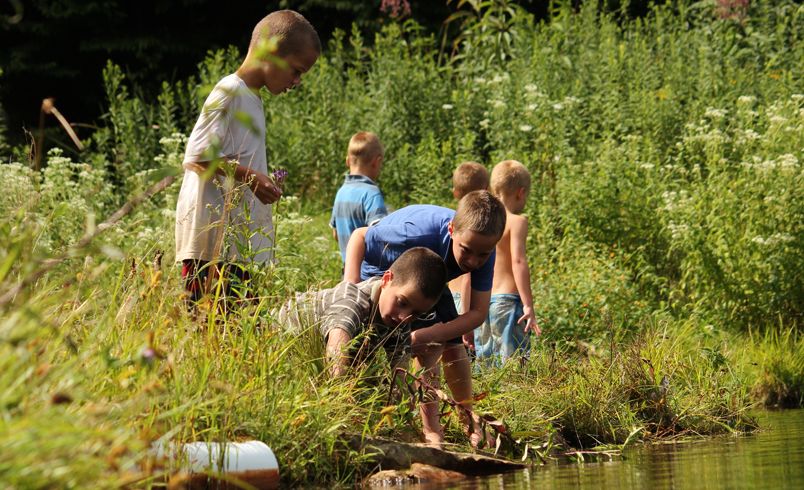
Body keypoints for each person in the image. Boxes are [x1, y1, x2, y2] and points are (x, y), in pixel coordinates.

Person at [175, 10, 320, 304]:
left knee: (238, 329)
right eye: (296, 70)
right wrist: (250, 177)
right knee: (209, 328)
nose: (297, 81)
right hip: (211, 247)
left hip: (234, 247)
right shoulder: (229, 90)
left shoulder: (251, 97)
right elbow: (197, 155)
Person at [344, 190, 506, 447]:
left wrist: (433, 333)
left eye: (483, 254)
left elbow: (478, 313)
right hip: (388, 277)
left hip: (432, 280)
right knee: (417, 350)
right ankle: (430, 430)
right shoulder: (414, 233)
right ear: (452, 229)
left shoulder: (483, 246)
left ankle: (468, 417)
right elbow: (359, 236)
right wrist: (350, 290)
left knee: (451, 344)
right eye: (466, 250)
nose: (474, 261)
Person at [278, 247, 446, 376]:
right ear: (387, 280)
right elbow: (337, 349)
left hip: (310, 360)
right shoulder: (352, 300)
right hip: (278, 339)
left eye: (416, 313)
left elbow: (399, 374)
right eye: (402, 302)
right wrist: (340, 398)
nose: (404, 317)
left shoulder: (399, 320)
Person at [475, 160, 541, 364]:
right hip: (508, 301)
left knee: (486, 362)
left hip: (483, 299)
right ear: (521, 192)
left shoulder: (482, 220)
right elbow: (518, 261)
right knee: (514, 362)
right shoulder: (516, 221)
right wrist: (528, 305)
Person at [448, 161, 489, 350]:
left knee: (447, 352)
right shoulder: (475, 228)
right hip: (465, 301)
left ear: (455, 191)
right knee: (464, 356)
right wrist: (467, 321)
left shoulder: (453, 221)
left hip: (450, 296)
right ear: (486, 190)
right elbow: (467, 277)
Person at [330, 132, 388, 264]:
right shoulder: (372, 193)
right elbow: (381, 238)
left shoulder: (341, 192)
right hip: (368, 276)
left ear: (347, 161)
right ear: (376, 162)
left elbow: (336, 234)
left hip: (347, 272)